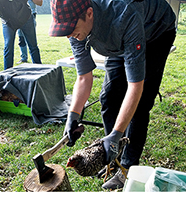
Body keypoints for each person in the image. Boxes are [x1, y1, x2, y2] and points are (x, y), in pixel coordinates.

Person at [49, 0, 176, 190]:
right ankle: (113, 154)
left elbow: (135, 86)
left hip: (155, 32)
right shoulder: (76, 28)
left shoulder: (125, 14)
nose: (69, 34)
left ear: (89, 13)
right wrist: (72, 116)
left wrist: (116, 134)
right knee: (109, 98)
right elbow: (84, 77)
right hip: (118, 38)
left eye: (71, 27)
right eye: (64, 29)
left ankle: (126, 168)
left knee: (139, 106)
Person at [0, 0, 42, 69]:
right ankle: (7, 75)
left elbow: (39, 2)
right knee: (8, 47)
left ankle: (40, 73)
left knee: (33, 46)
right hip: (7, 21)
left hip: (25, 16)